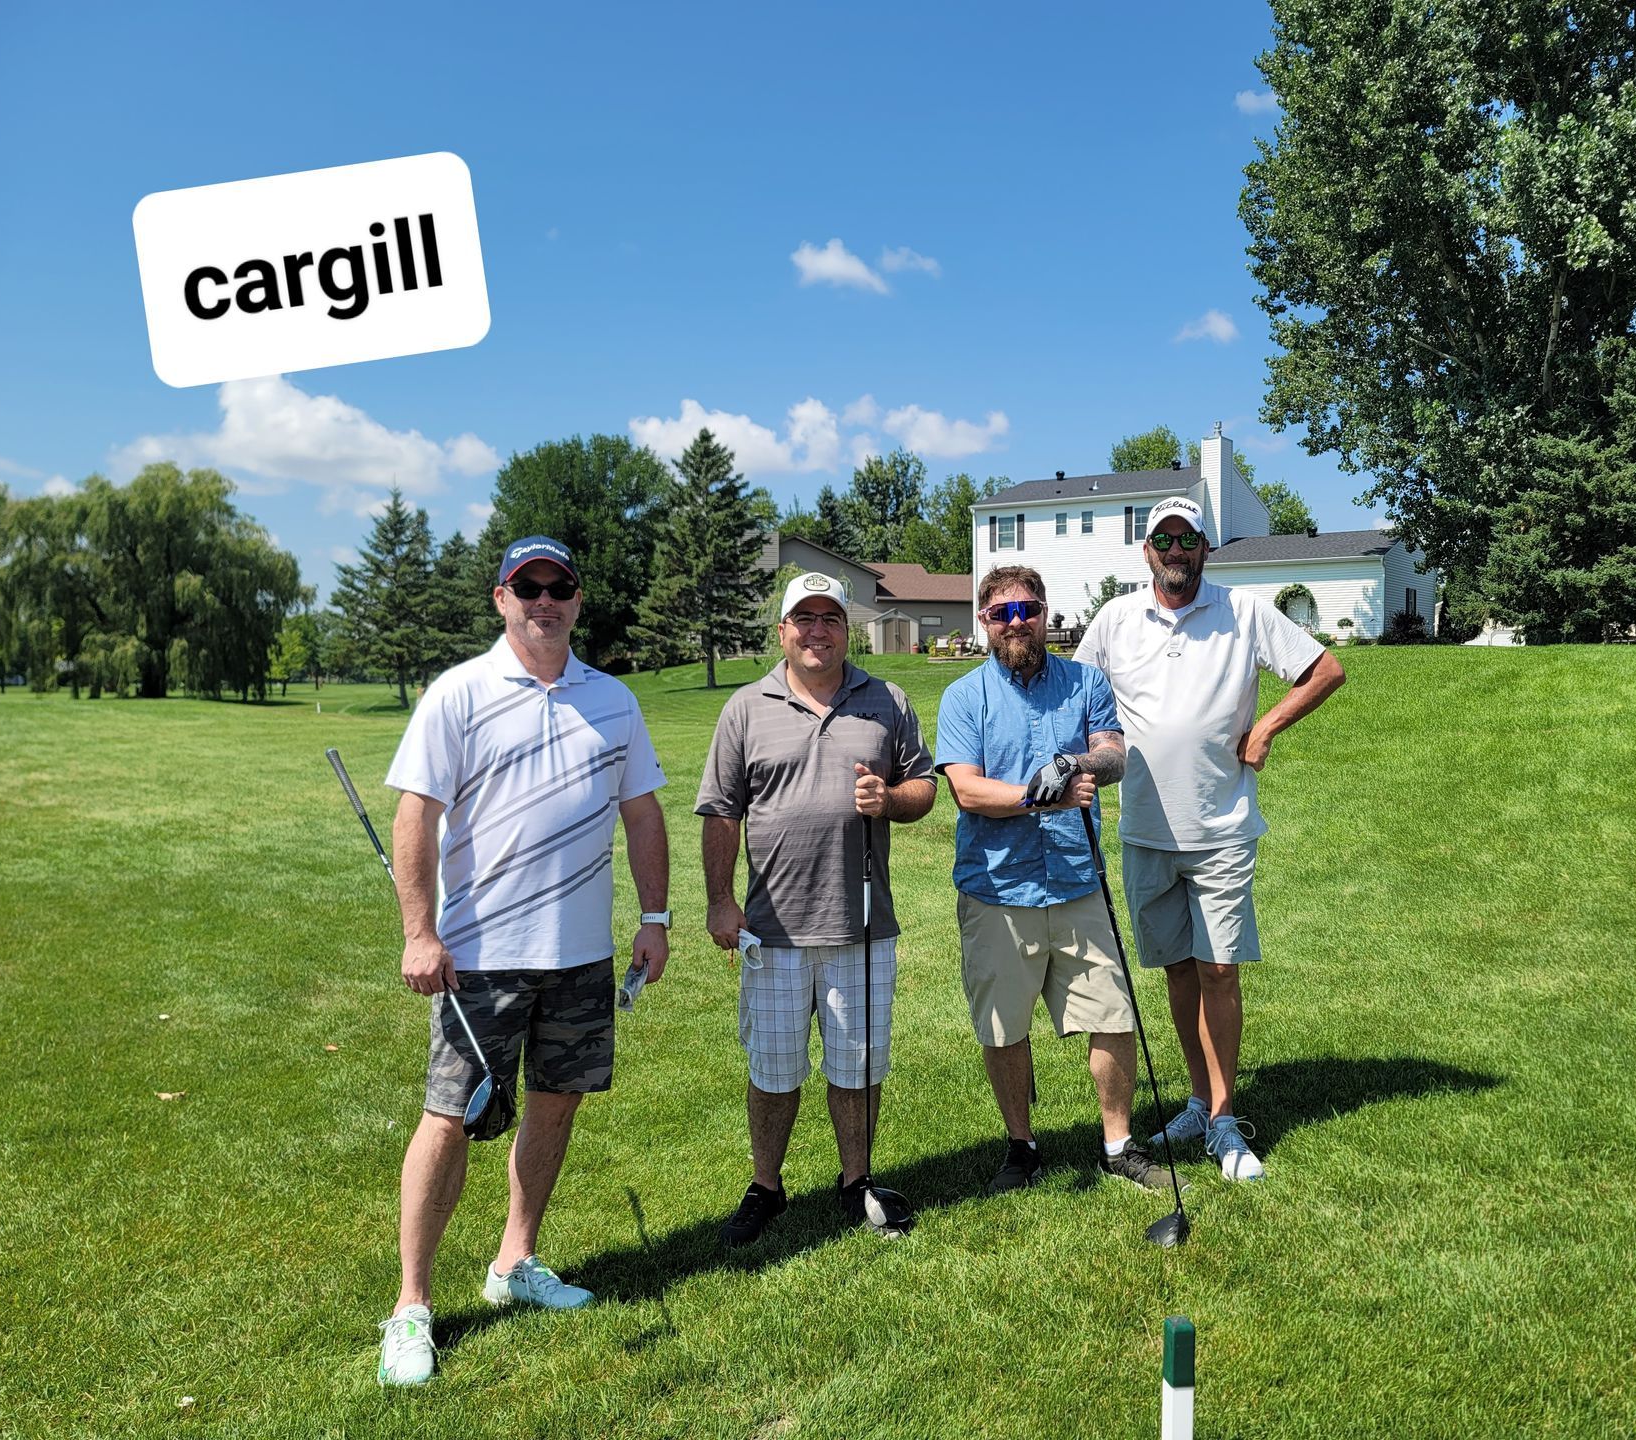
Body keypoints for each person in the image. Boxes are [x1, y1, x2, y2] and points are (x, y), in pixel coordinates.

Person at [375, 535, 672, 1387]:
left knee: (553, 1107)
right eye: (527, 586)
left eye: (560, 586)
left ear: (579, 599)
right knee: (450, 1118)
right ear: (501, 598)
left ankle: (515, 1262)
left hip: (581, 955)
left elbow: (643, 814)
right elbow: (414, 815)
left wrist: (653, 918)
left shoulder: (613, 700)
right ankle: (411, 1306)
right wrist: (419, 932)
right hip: (481, 959)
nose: (545, 599)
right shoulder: (458, 693)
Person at [1074, 497, 1345, 1182]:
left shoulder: (1244, 612)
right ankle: (1198, 1099)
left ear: (1205, 547)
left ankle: (1225, 1120)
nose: (1175, 550)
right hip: (1143, 828)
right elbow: (1076, 696)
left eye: (1187, 539)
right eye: (1163, 538)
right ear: (1147, 551)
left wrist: (1265, 728)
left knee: (1220, 969)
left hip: (1220, 826)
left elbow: (1325, 670)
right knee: (1178, 969)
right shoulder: (1115, 619)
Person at [696, 572, 937, 1245]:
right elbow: (720, 811)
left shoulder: (886, 700)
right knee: (773, 1069)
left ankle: (855, 1179)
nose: (817, 629)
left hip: (860, 924)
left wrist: (890, 801)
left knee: (857, 1065)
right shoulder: (746, 707)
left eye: (830, 617)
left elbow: (923, 786)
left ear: (845, 629)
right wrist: (719, 901)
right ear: (783, 631)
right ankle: (766, 1186)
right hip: (771, 928)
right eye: (803, 617)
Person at [934, 564, 1174, 1195]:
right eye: (1004, 613)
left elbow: (1114, 754)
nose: (1018, 622)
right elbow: (965, 789)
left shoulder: (1086, 682)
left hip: (1076, 879)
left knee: (1112, 1014)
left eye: (1029, 610)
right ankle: (1022, 1146)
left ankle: (1118, 1144)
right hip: (997, 889)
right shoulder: (964, 697)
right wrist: (1041, 797)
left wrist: (1078, 761)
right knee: (1003, 1026)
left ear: (1047, 615)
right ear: (985, 622)